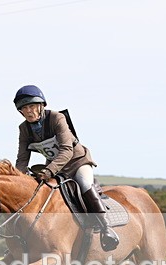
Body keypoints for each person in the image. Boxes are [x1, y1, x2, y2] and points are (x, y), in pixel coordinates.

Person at [13, 85, 119, 251]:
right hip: (56, 167)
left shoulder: (57, 118)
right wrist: (19, 179)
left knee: (84, 184)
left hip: (77, 161)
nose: (29, 111)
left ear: (41, 106)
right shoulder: (24, 129)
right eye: (24, 108)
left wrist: (48, 171)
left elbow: (66, 150)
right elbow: (22, 159)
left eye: (32, 106)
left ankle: (106, 228)